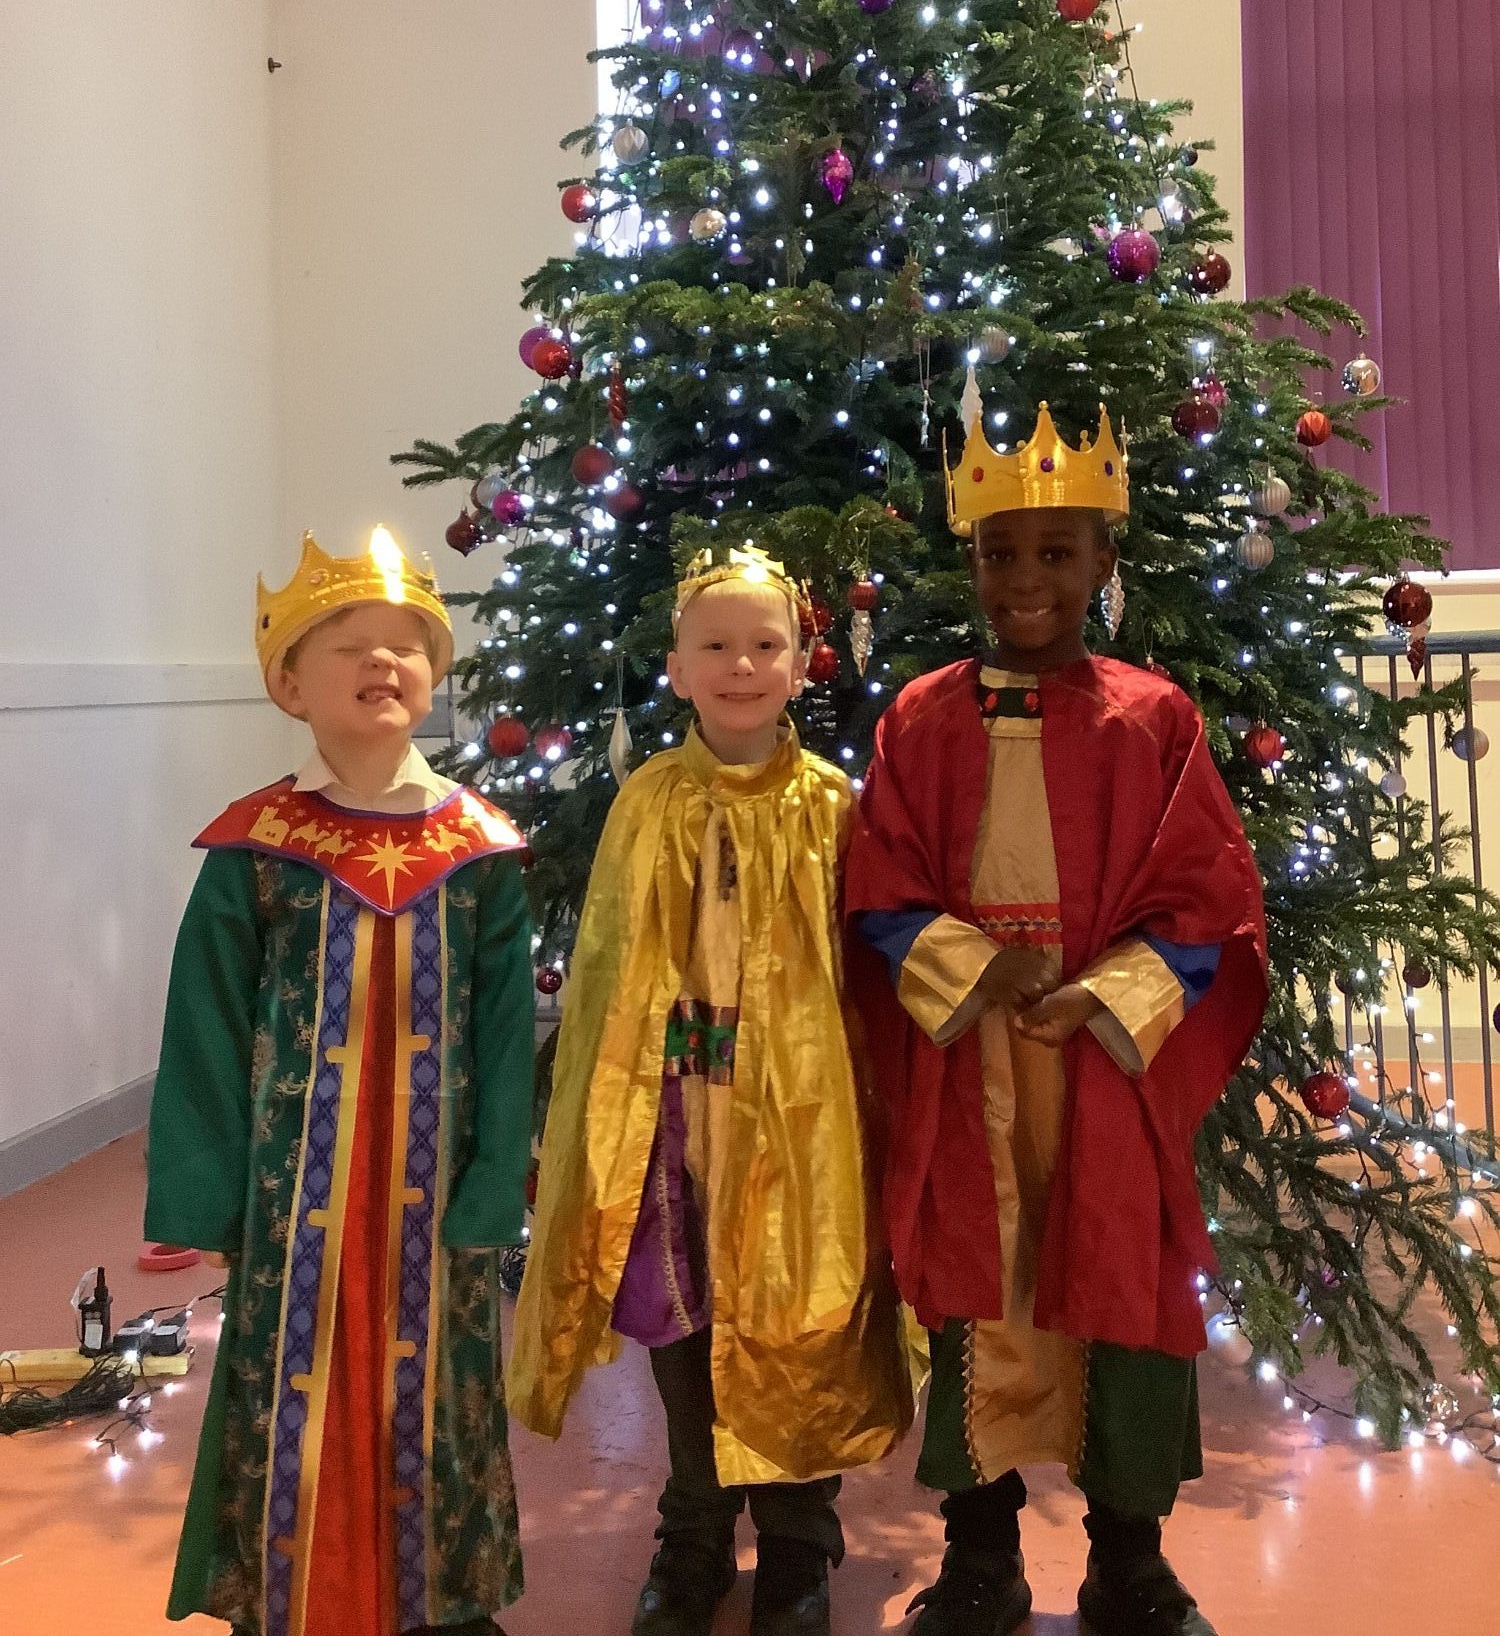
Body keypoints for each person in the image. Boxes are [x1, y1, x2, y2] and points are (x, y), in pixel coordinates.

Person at [846, 400, 1268, 1636]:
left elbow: (1207, 897)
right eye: (1000, 553)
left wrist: (1104, 991)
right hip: (967, 1054)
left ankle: (1129, 1560)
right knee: (975, 1290)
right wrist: (972, 968)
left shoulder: (1153, 716)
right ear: (972, 562)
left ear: (1103, 562)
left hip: (1103, 1059)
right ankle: (980, 1555)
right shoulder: (921, 716)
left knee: (1117, 1278)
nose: (1025, 578)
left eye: (1055, 552)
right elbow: (879, 884)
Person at [508, 544, 911, 1636]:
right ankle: (692, 1527)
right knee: (680, 1314)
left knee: (804, 1311)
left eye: (764, 644)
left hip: (803, 1120)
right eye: (716, 646)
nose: (741, 664)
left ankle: (798, 1537)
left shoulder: (833, 805)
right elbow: (613, 974)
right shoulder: (648, 802)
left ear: (803, 661)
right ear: (677, 668)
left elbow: (860, 976)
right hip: (677, 1115)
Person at [145, 527, 534, 1636]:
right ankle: (287, 1593)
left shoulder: (478, 848)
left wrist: (494, 1183)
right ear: (290, 684)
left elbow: (508, 1035)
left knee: (440, 1389)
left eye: (407, 644)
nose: (383, 661)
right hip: (292, 1200)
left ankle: (445, 1599)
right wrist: (209, 1197)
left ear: (435, 675)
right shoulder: (258, 847)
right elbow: (206, 1027)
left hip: (434, 1195)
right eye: (350, 643)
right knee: (289, 1384)